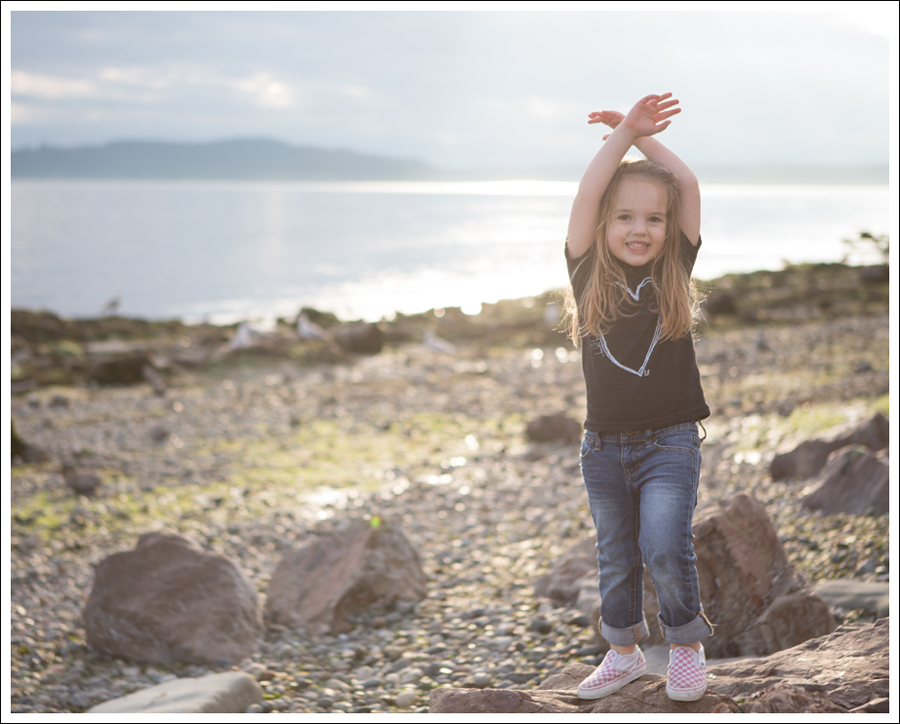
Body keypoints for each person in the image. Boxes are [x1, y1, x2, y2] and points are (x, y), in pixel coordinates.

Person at [563, 93, 713, 702]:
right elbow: (586, 196)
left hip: (670, 440)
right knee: (616, 554)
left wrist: (639, 138)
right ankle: (622, 653)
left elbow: (685, 182)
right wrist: (621, 134)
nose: (640, 229)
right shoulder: (586, 271)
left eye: (653, 219)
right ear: (604, 225)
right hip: (601, 446)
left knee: (663, 544)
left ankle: (684, 645)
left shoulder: (675, 264)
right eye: (625, 217)